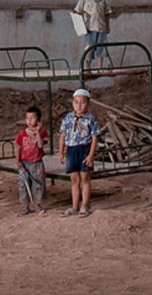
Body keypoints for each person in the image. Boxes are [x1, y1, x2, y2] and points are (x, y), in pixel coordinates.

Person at [57, 88, 100, 217]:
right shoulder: (68, 117)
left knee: (85, 179)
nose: (79, 105)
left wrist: (91, 155)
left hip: (84, 150)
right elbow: (63, 135)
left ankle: (85, 206)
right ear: (72, 103)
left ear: (88, 103)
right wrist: (61, 152)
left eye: (82, 102)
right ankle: (74, 206)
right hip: (71, 150)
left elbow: (95, 137)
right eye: (76, 102)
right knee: (74, 180)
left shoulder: (90, 119)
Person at [74, 0, 113, 72]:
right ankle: (88, 68)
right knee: (89, 49)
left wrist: (108, 26)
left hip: (101, 28)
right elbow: (77, 11)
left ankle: (100, 68)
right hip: (89, 29)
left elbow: (107, 13)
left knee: (101, 48)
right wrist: (81, 25)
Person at [14, 105, 49, 214]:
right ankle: (26, 206)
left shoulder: (42, 133)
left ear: (38, 120)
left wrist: (38, 132)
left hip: (37, 164)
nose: (29, 121)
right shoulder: (22, 134)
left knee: (38, 184)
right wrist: (18, 161)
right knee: (23, 185)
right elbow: (18, 147)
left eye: (32, 118)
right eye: (27, 118)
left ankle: (38, 205)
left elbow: (40, 145)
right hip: (25, 163)